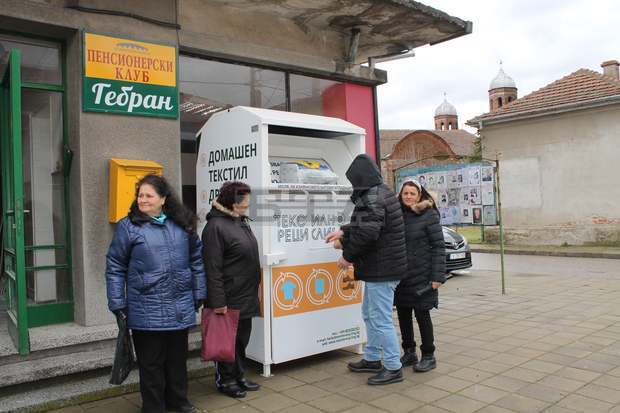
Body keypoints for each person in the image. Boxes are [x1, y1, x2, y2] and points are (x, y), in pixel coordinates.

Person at [105, 174, 206, 413]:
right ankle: (153, 407)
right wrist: (117, 302)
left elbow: (196, 259)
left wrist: (199, 291)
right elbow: (115, 267)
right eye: (140, 195)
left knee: (177, 362)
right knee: (151, 366)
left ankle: (178, 402)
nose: (142, 200)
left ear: (163, 199)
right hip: (146, 308)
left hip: (179, 305)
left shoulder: (182, 224)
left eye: (148, 195)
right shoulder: (128, 227)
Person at [325, 154, 407, 385]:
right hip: (381, 268)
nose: (353, 185)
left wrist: (347, 256)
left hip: (383, 270)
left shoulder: (372, 197)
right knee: (369, 314)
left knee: (380, 319)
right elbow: (368, 223)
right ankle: (372, 358)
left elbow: (369, 233)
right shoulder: (379, 192)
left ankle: (393, 367)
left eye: (354, 180)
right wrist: (343, 230)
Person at [201, 181, 261, 398]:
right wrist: (218, 301)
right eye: (244, 200)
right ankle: (225, 381)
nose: (247, 204)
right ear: (233, 202)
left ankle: (239, 376)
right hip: (227, 296)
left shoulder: (240, 222)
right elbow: (212, 268)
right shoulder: (215, 227)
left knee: (241, 340)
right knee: (226, 342)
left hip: (245, 294)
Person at [394, 179, 446, 373]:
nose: (408, 197)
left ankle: (428, 355)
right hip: (402, 275)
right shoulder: (396, 215)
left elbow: (439, 246)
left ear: (419, 195)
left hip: (423, 275)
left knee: (422, 314)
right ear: (400, 195)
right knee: (403, 314)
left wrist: (438, 276)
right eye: (405, 193)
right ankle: (409, 352)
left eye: (412, 193)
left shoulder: (429, 215)